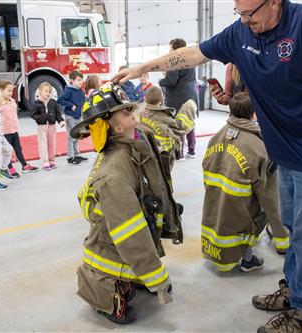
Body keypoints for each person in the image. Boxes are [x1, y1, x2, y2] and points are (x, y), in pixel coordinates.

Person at [113, 0, 302, 331]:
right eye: (238, 14)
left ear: (274, 3)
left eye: (249, 14)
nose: (244, 21)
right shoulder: (243, 31)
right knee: (290, 228)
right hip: (283, 153)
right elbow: (193, 54)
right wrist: (145, 68)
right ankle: (294, 291)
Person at [69, 83, 182, 324]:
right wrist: (157, 280)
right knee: (127, 254)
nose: (132, 112)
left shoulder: (137, 141)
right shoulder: (114, 174)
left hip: (128, 229)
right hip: (110, 246)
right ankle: (107, 296)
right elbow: (130, 233)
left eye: (130, 107)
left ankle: (137, 275)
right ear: (113, 127)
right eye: (124, 111)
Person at [201, 92, 290, 273]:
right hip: (241, 211)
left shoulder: (217, 136)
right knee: (260, 210)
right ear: (254, 114)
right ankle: (247, 259)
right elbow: (270, 199)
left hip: (215, 204)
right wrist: (282, 238)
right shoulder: (259, 148)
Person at [139, 85, 197, 175]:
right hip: (162, 161)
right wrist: (189, 105)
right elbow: (181, 127)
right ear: (162, 99)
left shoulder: (138, 114)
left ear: (144, 98)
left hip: (141, 159)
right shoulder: (166, 118)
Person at [159, 38, 198, 159]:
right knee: (189, 123)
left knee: (178, 124)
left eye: (170, 48)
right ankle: (191, 151)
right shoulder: (190, 60)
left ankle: (179, 153)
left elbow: (171, 81)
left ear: (175, 48)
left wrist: (162, 80)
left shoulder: (174, 61)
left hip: (178, 97)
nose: (169, 50)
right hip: (191, 96)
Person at [0, 80, 39, 175]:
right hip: (4, 132)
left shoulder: (13, 101)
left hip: (14, 130)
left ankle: (24, 165)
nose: (11, 93)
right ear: (0, 91)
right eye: (8, 90)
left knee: (18, 149)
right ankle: (9, 167)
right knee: (7, 151)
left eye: (11, 91)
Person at [31, 82, 65, 171]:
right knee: (43, 144)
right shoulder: (37, 103)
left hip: (52, 126)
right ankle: (45, 162)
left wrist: (61, 121)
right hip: (42, 127)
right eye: (46, 91)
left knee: (51, 144)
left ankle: (51, 160)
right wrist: (40, 118)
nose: (48, 93)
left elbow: (58, 113)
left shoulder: (53, 102)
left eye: (49, 91)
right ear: (40, 92)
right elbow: (33, 114)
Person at [57, 70, 88, 166]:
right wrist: (70, 105)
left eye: (81, 80)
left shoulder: (80, 91)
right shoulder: (68, 90)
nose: (81, 82)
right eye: (78, 80)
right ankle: (70, 157)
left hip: (79, 116)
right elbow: (60, 100)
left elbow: (84, 99)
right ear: (72, 81)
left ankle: (76, 154)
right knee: (71, 137)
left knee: (77, 136)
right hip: (70, 117)